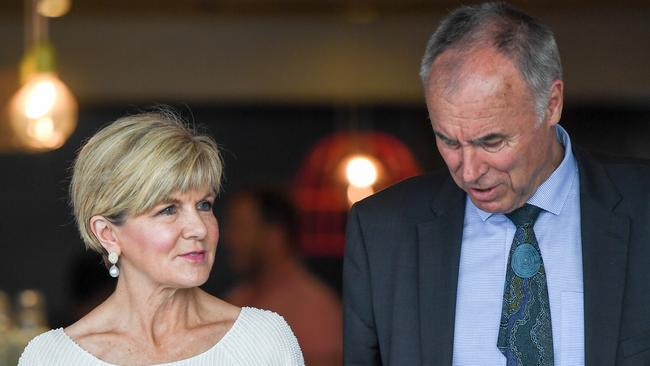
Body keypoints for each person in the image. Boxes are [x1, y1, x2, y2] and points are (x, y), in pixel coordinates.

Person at [343, 2, 650, 366]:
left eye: (491, 142)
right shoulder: (382, 231)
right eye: (449, 141)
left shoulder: (642, 203)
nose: (469, 172)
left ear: (552, 104)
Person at [19, 110, 305, 365]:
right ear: (107, 234)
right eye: (168, 210)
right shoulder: (51, 358)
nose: (199, 228)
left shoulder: (262, 341)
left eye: (204, 205)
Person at [224, 188, 343, 366]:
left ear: (275, 235)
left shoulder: (314, 309)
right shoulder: (235, 299)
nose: (230, 239)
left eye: (241, 227)